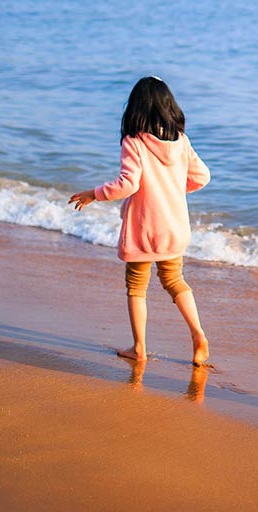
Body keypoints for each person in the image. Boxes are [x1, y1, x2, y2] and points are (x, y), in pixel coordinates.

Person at [69, 76, 212, 366]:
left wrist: (93, 194)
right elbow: (202, 177)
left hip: (145, 228)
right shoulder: (181, 141)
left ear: (136, 108)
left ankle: (139, 348)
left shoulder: (133, 142)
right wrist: (171, 189)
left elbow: (128, 184)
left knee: (136, 286)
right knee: (174, 280)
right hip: (175, 227)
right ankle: (198, 333)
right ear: (169, 106)